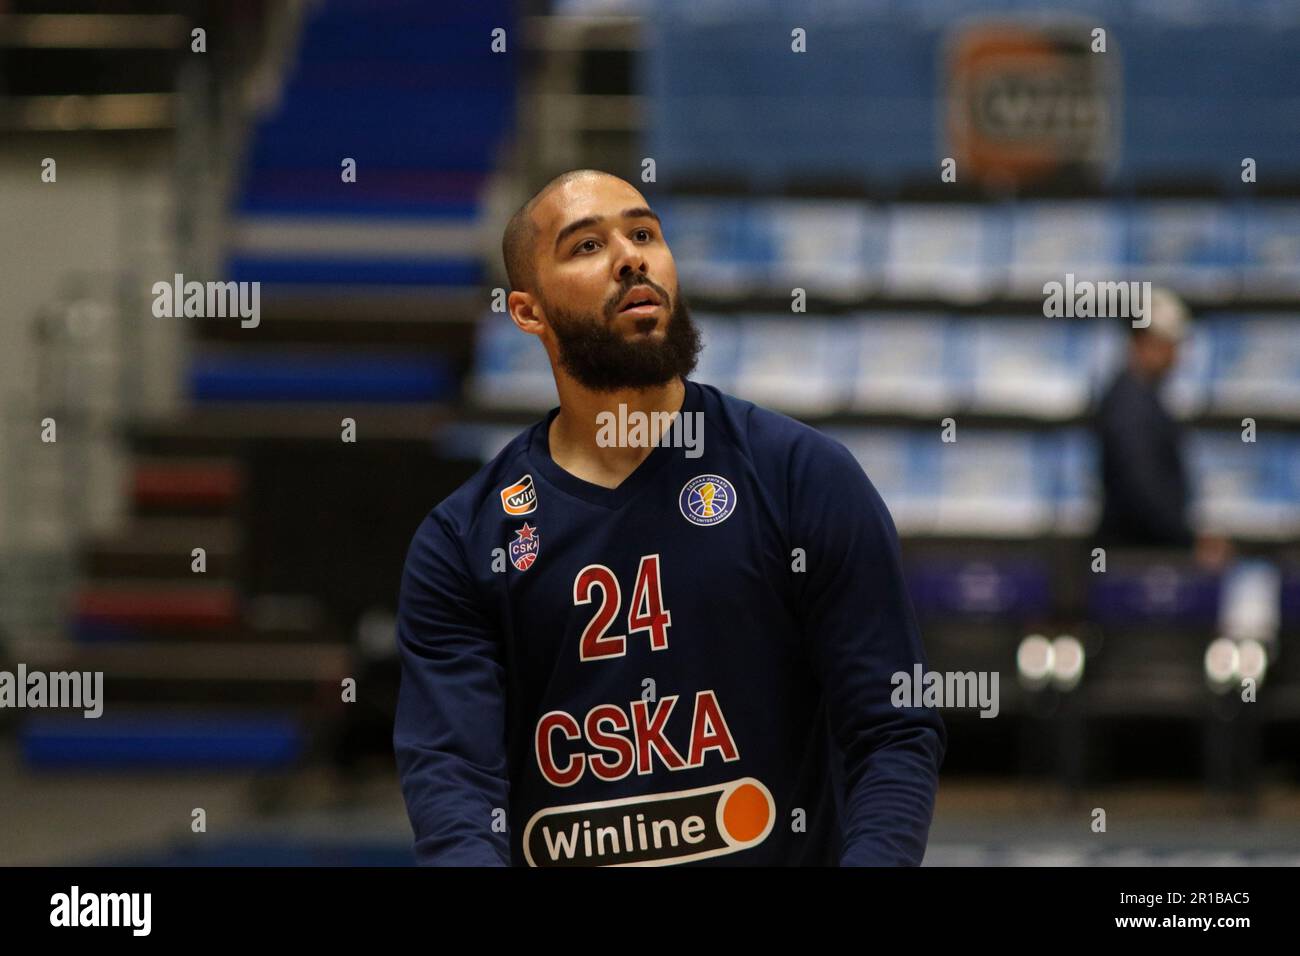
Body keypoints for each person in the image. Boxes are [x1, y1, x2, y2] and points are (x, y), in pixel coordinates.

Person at [393, 169, 945, 866]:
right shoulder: (463, 541)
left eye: (645, 233)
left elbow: (893, 732)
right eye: (586, 246)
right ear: (527, 312)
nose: (631, 257)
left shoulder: (803, 478)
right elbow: (455, 785)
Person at [1093, 287, 1231, 569]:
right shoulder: (1130, 404)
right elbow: (1141, 488)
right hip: (1135, 557)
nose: (1176, 356)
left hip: (1142, 552)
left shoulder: (1140, 397)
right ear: (1146, 342)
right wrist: (1188, 539)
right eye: (1169, 344)